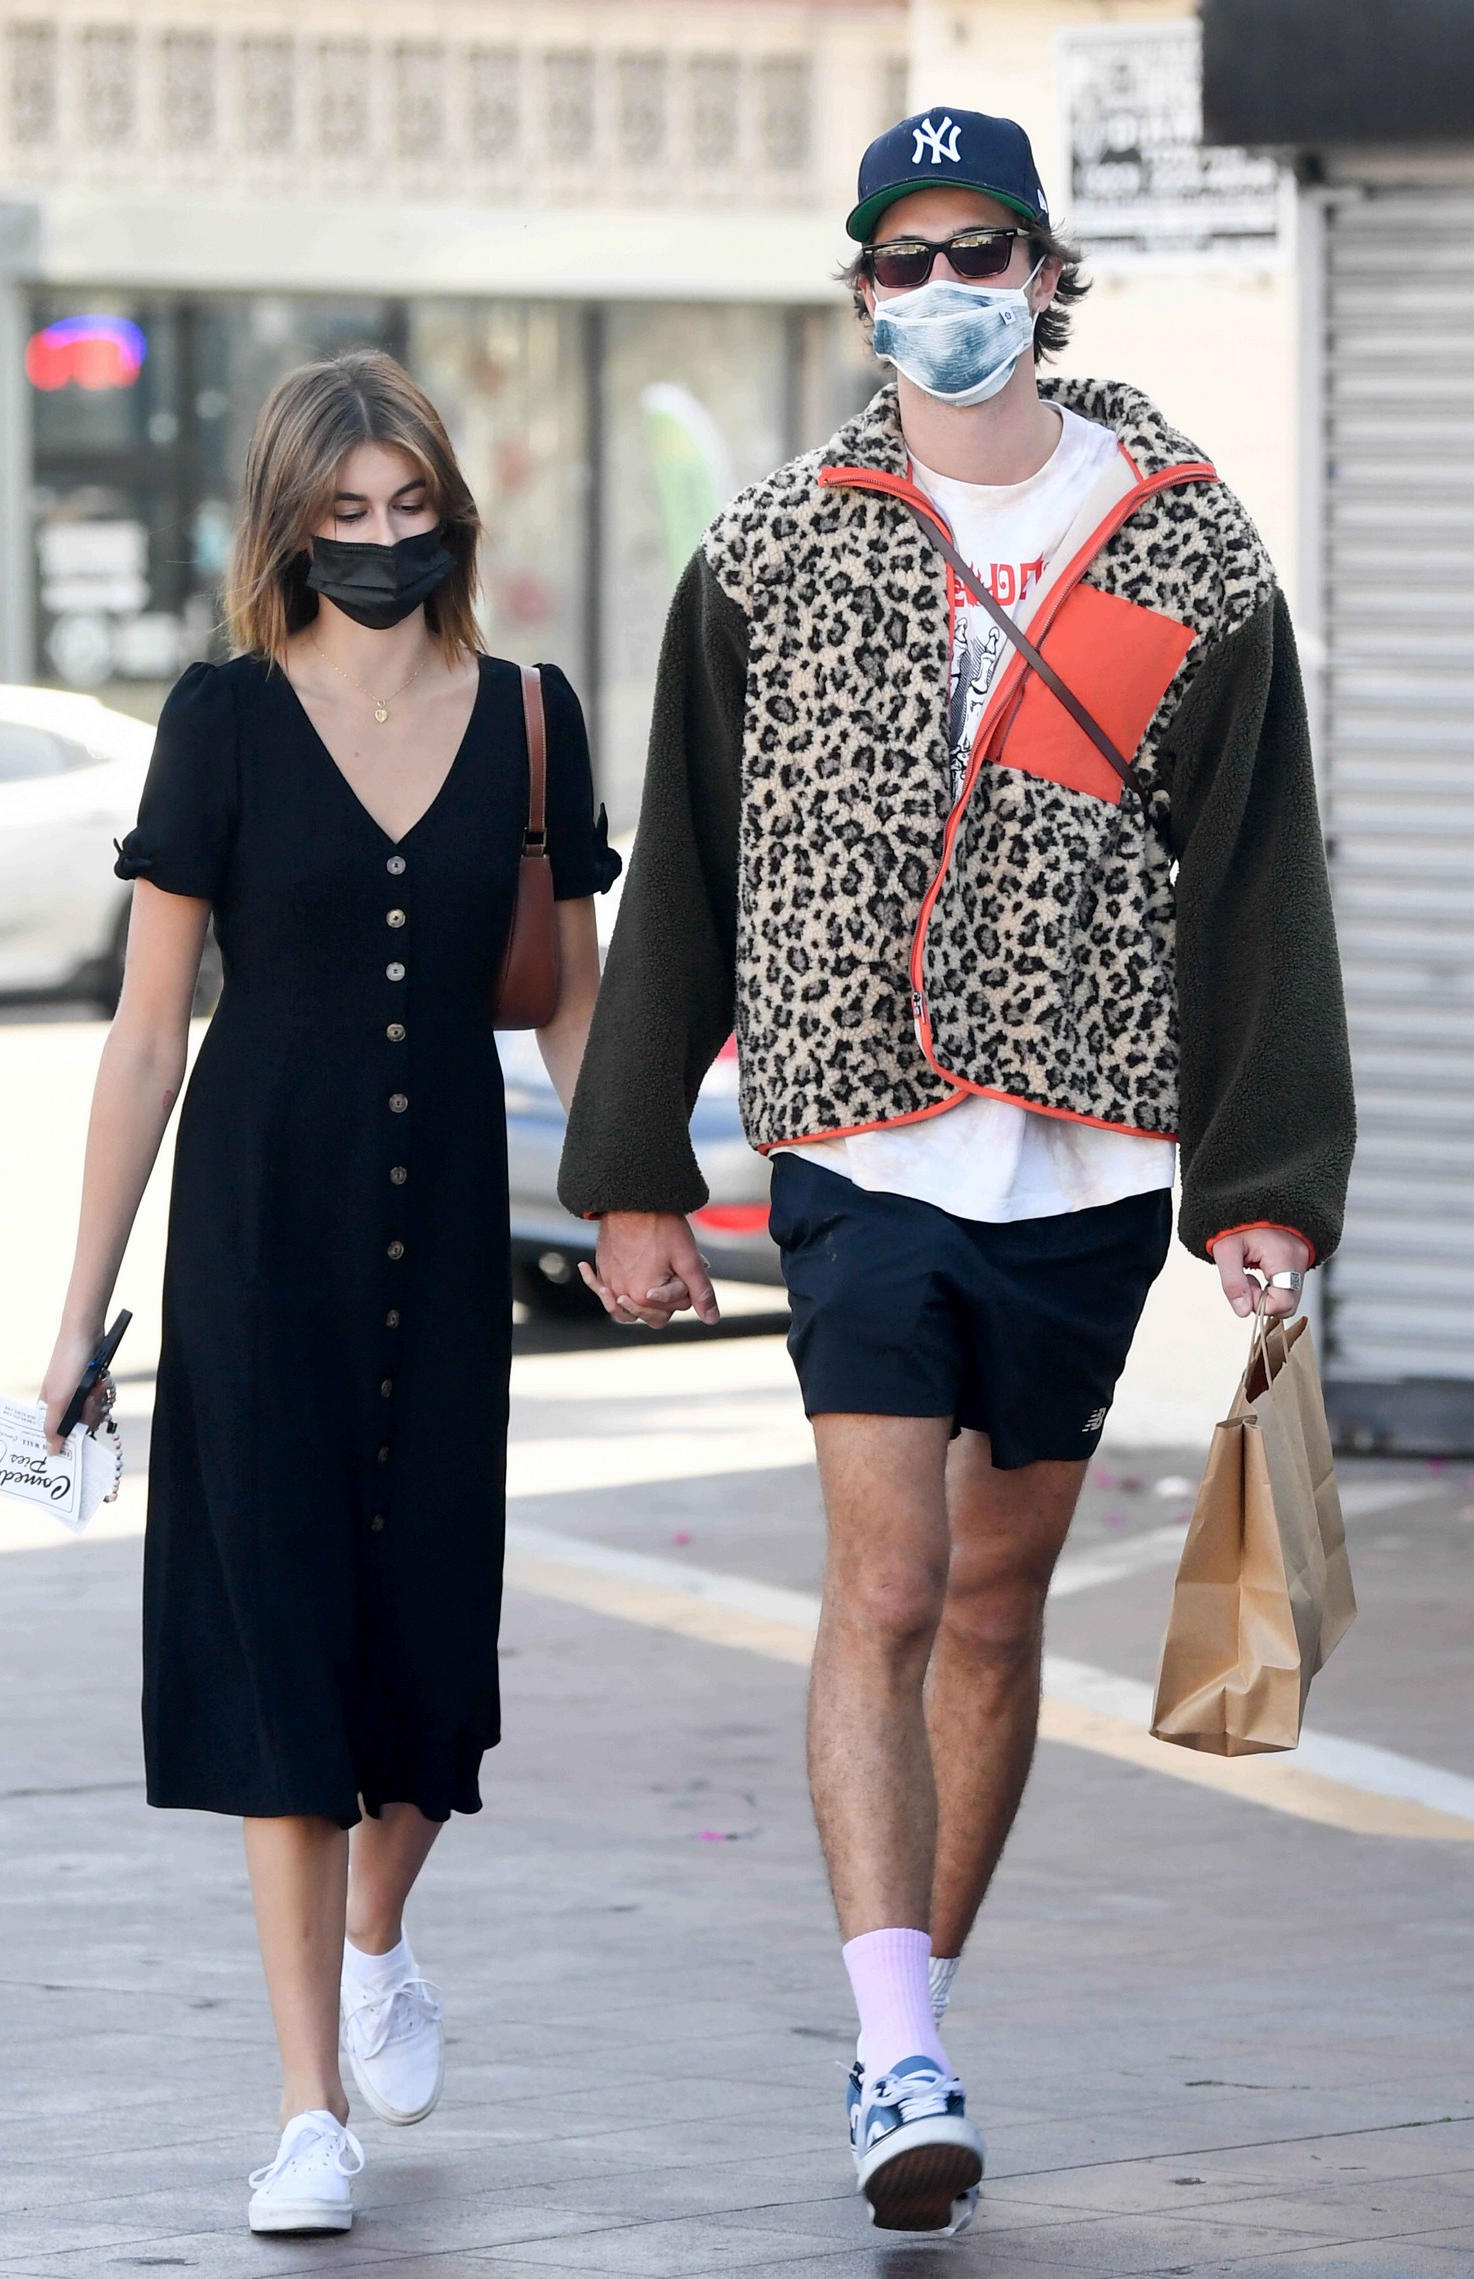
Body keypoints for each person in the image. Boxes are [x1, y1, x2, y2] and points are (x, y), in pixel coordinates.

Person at [560, 108, 1354, 2236]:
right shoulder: (773, 550)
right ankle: (899, 2046)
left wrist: (1264, 1179)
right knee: (893, 1584)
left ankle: (901, 2022)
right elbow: (684, 863)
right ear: (860, 297)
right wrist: (632, 1170)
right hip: (857, 1132)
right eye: (901, 262)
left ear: (1045, 273)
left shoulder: (1186, 549)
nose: (942, 294)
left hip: (1084, 1145)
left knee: (997, 1609)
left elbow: (1254, 884)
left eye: (976, 252)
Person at [40, 350, 616, 2236]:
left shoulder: (529, 717)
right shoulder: (218, 719)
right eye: (344, 513)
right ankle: (306, 2113)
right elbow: (147, 1036)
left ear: (453, 511)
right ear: (287, 527)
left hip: (447, 1228)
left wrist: (634, 1200)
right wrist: (79, 1317)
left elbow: (577, 1001)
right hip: (256, 1230)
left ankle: (381, 1931)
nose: (380, 540)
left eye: (408, 506)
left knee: (433, 1642)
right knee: (277, 1646)